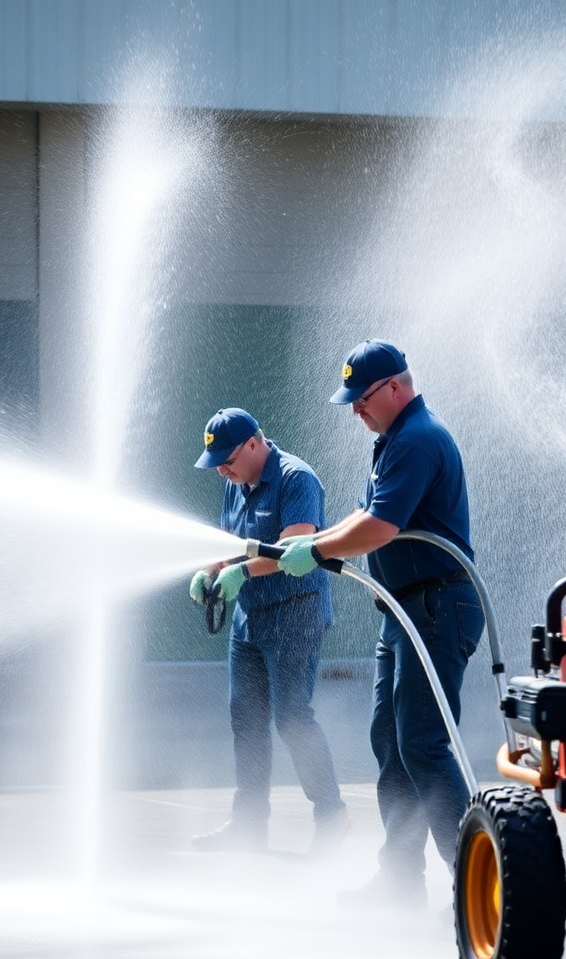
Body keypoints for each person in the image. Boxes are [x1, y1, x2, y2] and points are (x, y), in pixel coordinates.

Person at [278, 340, 485, 909]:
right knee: (392, 744)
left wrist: (317, 552)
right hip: (405, 610)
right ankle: (400, 882)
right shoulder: (394, 440)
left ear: (395, 387)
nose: (355, 410)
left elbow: (380, 527)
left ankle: (477, 888)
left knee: (423, 744)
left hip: (435, 606)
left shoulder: (417, 439)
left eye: (362, 398)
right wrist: (314, 543)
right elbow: (367, 514)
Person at [188, 407, 349, 854]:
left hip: (295, 615)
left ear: (254, 444)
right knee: (246, 720)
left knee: (292, 717)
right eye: (216, 464)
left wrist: (240, 573)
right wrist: (210, 570)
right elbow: (229, 541)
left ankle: (332, 815)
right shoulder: (234, 482)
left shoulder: (298, 479)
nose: (221, 471)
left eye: (227, 460)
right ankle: (248, 825)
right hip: (250, 619)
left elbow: (293, 549)